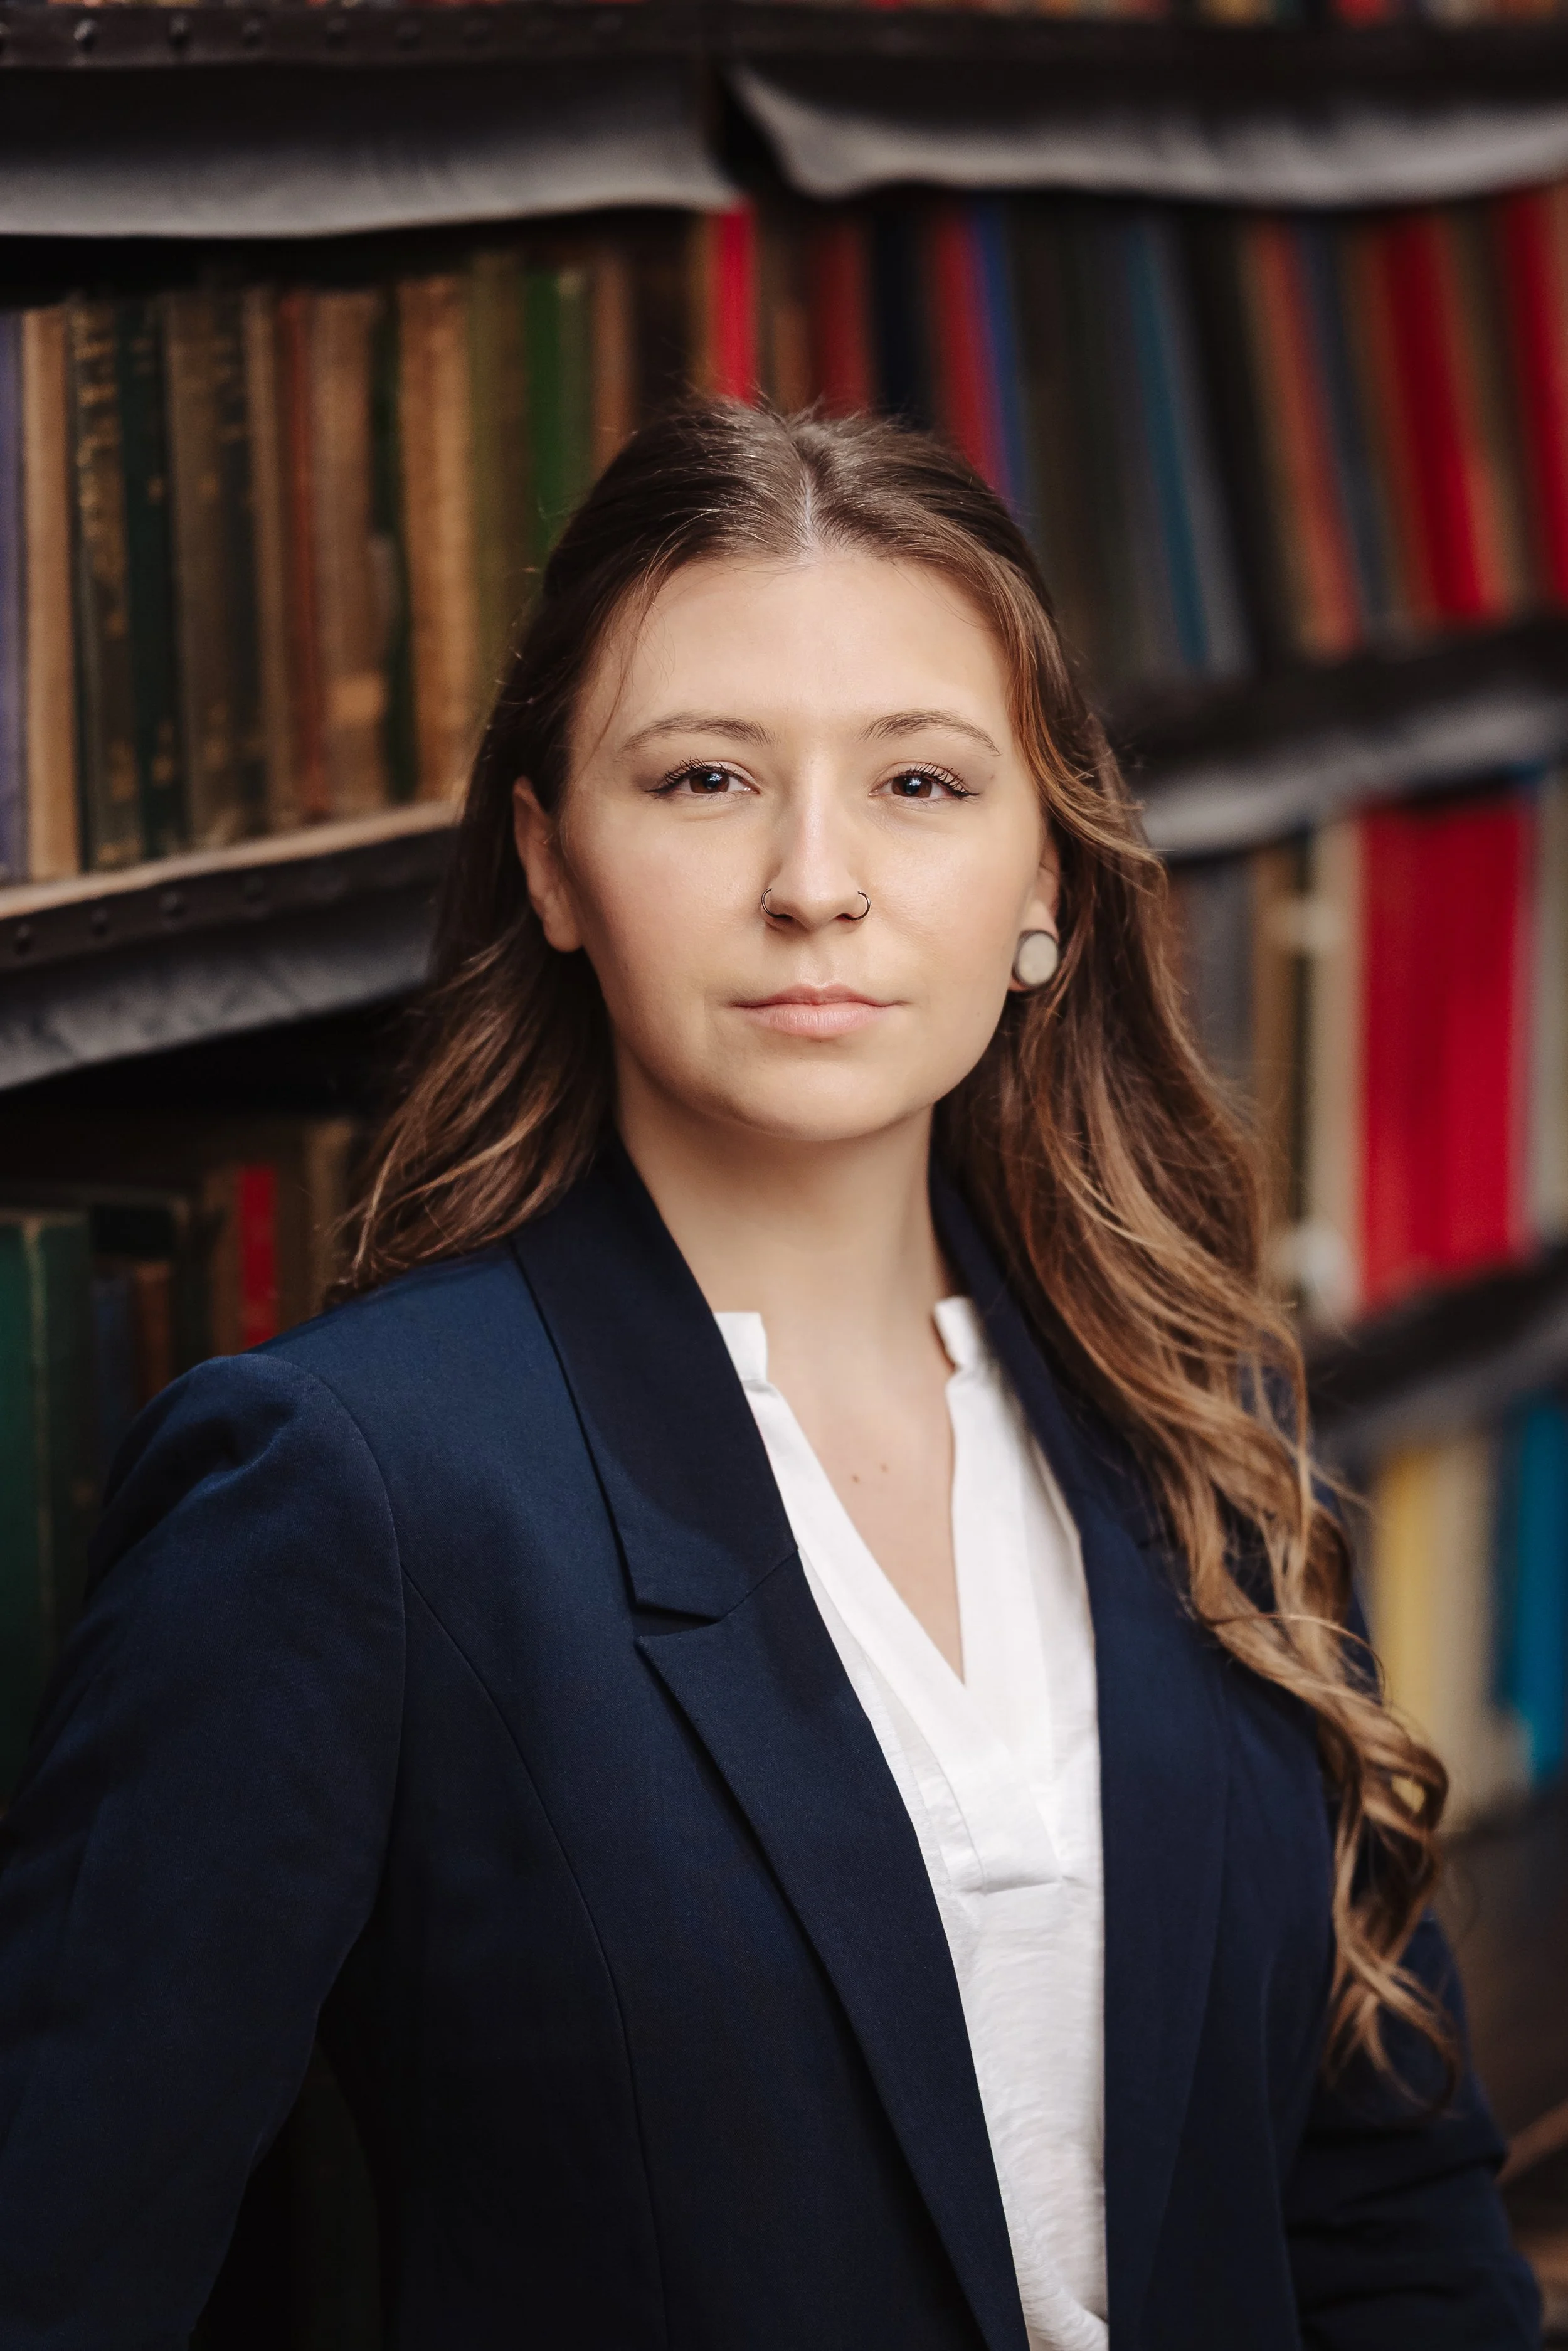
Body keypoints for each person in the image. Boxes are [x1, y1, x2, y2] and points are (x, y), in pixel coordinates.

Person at [0, 404, 1539, 2351]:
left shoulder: (1197, 1430)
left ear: (1044, 882)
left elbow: (1386, 2220)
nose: (816, 881)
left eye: (917, 780)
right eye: (707, 776)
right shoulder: (354, 1487)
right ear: (553, 864)